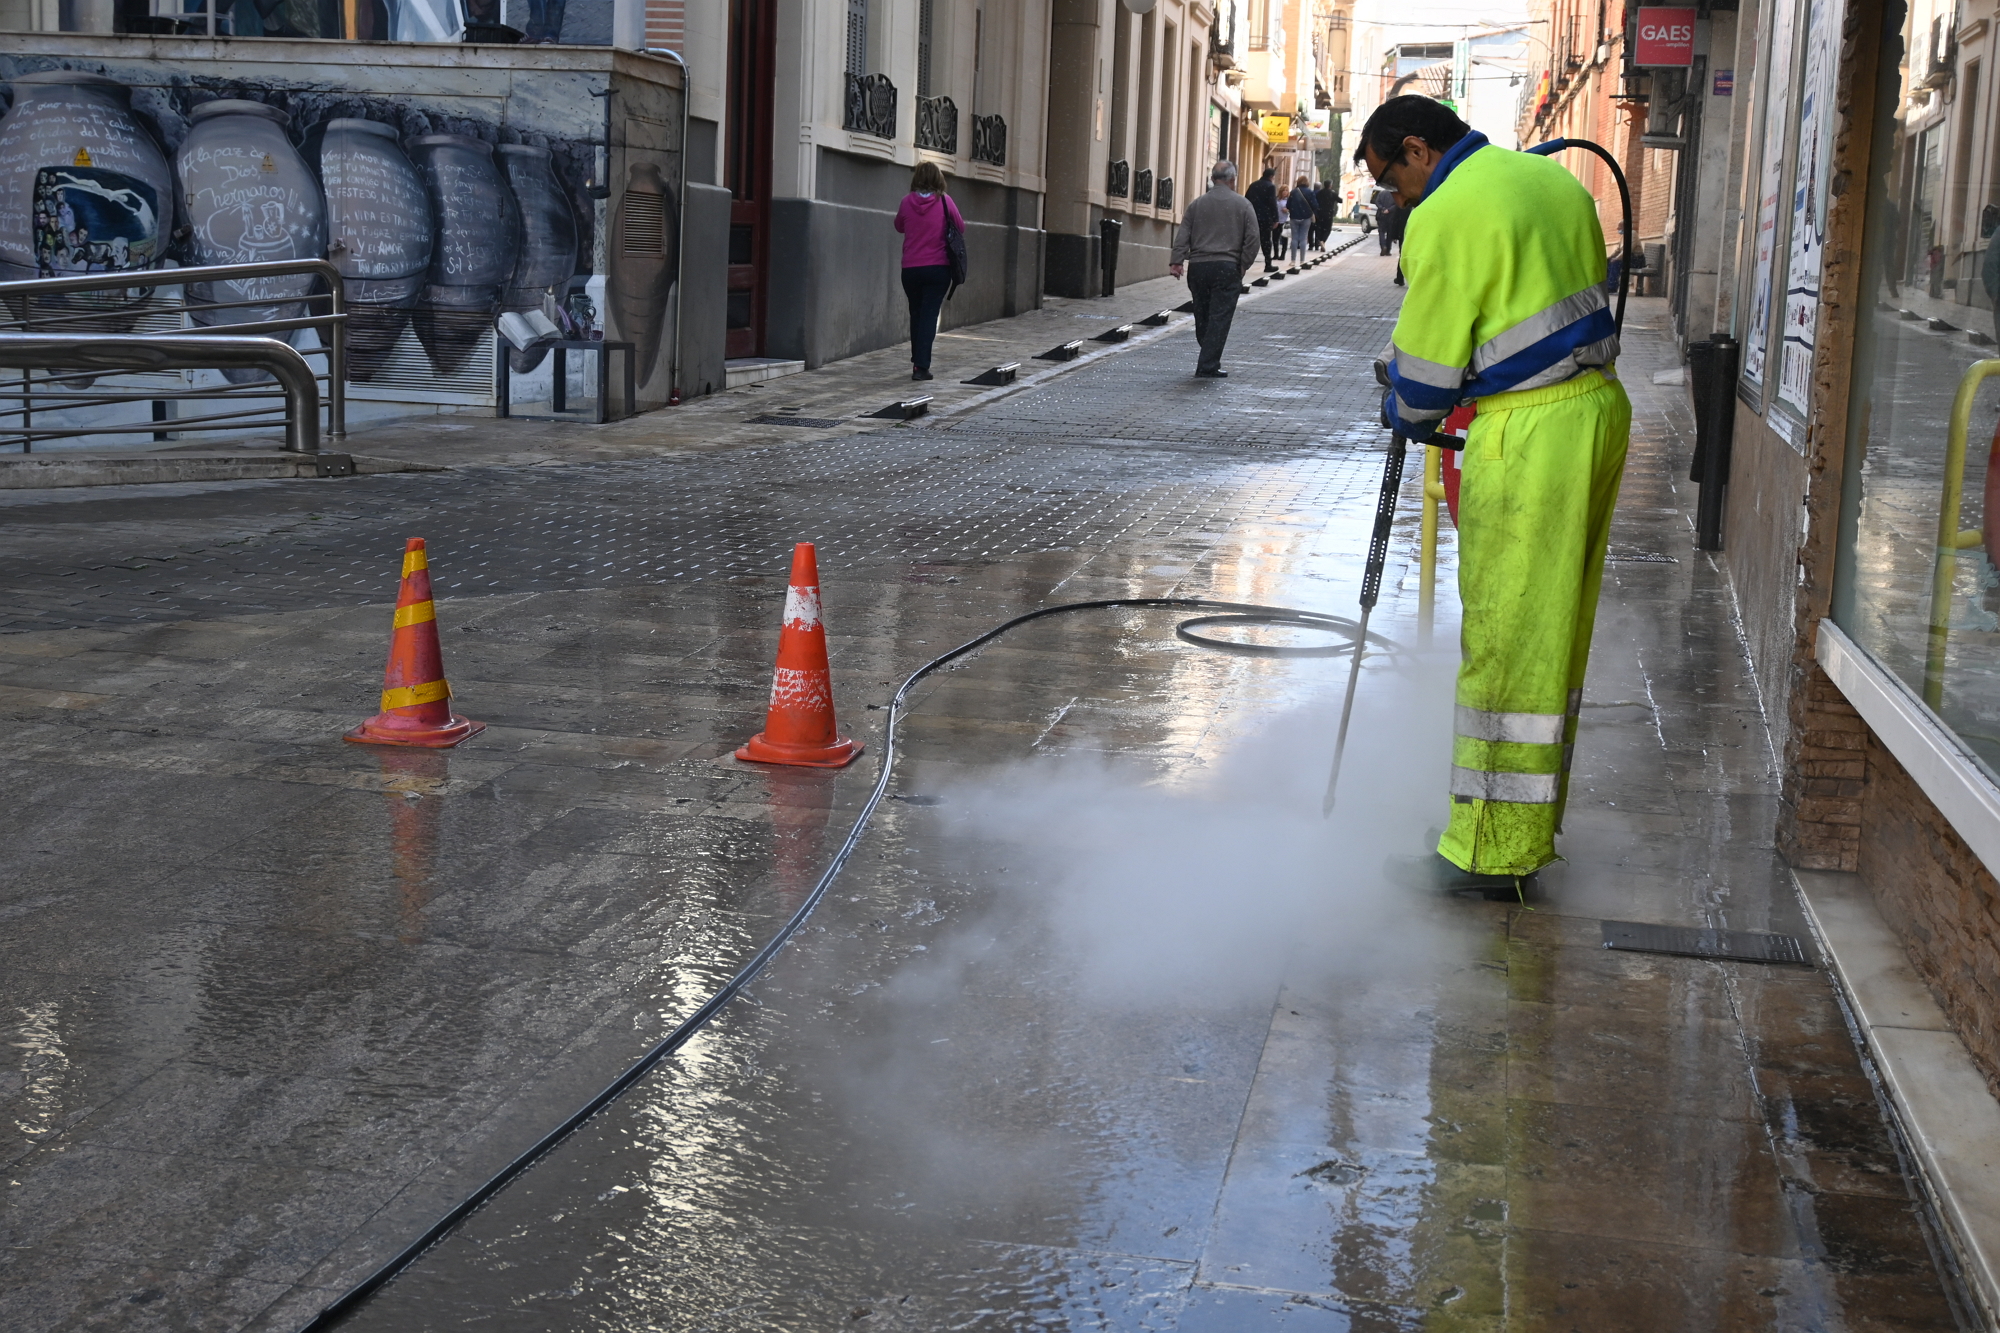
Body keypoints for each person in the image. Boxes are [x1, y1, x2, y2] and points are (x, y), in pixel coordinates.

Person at [1359, 94, 1627, 898]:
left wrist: (1400, 400)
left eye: (1391, 180)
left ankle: (1483, 851)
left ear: (1417, 150)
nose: (1395, 199)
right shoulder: (1556, 184)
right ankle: (1526, 831)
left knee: (1507, 638)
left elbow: (1428, 382)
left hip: (1530, 434)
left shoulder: (1445, 212)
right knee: (1556, 636)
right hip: (1599, 414)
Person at [1169, 160, 1261, 379]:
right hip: (1227, 267)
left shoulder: (1197, 204)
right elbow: (1253, 239)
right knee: (1220, 317)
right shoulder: (1243, 205)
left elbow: (1184, 234)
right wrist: (1242, 264)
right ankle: (1207, 365)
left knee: (1202, 315)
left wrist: (1177, 261)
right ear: (1233, 179)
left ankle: (1208, 356)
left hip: (1199, 268)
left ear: (1212, 179)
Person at [893, 161, 963, 382]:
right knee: (929, 315)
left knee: (916, 313)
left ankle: (917, 359)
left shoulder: (906, 202)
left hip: (911, 269)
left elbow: (899, 226)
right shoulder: (945, 202)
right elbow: (960, 227)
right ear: (938, 179)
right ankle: (921, 366)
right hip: (937, 267)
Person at [1245, 165, 1280, 271]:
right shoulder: (1270, 186)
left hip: (1253, 216)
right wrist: (1275, 218)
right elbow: (1272, 203)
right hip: (1265, 218)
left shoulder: (1253, 185)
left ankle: (1243, 263)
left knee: (1250, 239)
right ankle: (1268, 263)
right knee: (1266, 241)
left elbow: (1246, 200)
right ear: (1271, 176)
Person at [1287, 175, 1316, 260]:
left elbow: (1288, 205)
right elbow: (1315, 205)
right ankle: (1302, 260)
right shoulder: (1310, 192)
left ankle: (1293, 260)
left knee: (1294, 238)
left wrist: (1294, 210)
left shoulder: (1293, 192)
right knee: (1303, 238)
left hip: (1294, 217)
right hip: (1306, 218)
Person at [1371, 184, 1400, 256]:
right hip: (1391, 216)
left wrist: (1382, 209)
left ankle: (1383, 246)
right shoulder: (1394, 195)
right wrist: (1389, 210)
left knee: (1381, 232)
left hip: (1381, 215)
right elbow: (1396, 205)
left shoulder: (1381, 193)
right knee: (1389, 233)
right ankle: (1388, 250)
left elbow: (1377, 202)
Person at [1313, 180, 1338, 249]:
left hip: (1320, 213)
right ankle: (1323, 241)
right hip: (1329, 214)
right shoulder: (1332, 193)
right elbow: (1340, 200)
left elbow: (1315, 200)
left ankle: (1318, 242)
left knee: (1319, 228)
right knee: (1328, 229)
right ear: (1330, 185)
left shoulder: (1320, 193)